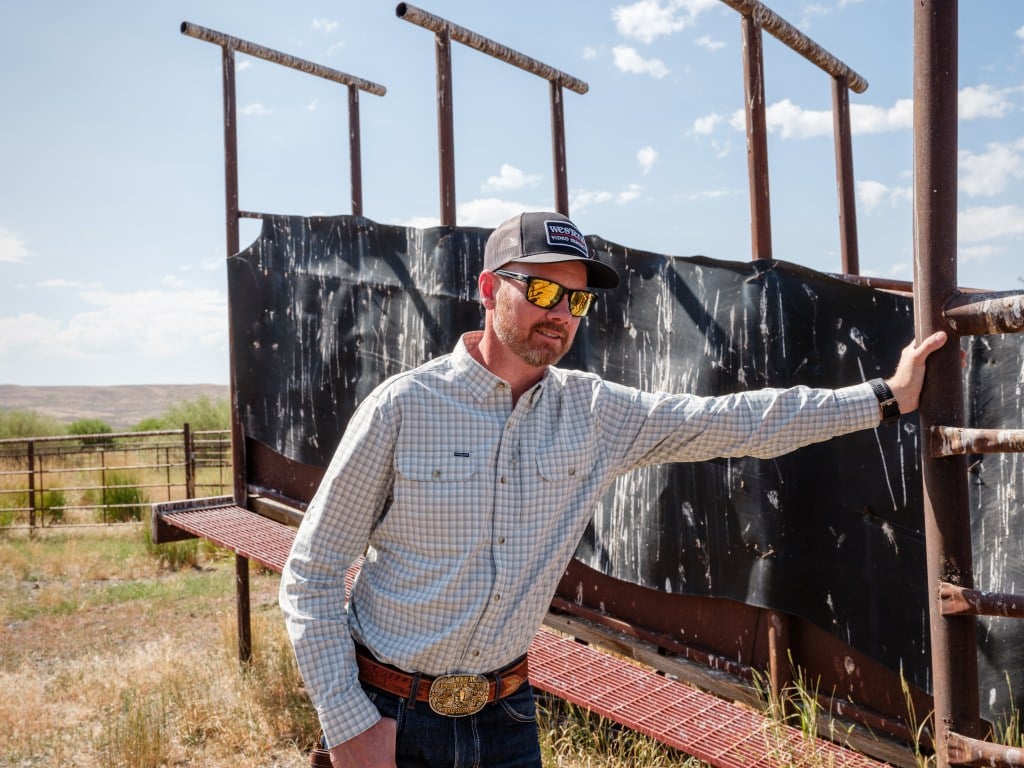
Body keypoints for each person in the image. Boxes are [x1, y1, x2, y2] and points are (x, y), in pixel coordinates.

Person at [280, 211, 946, 768]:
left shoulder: (596, 414)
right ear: (489, 287)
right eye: (542, 291)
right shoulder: (404, 408)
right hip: (388, 716)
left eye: (576, 300)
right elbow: (311, 570)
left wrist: (883, 397)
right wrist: (349, 725)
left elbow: (738, 422)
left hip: (506, 719)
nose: (561, 314)